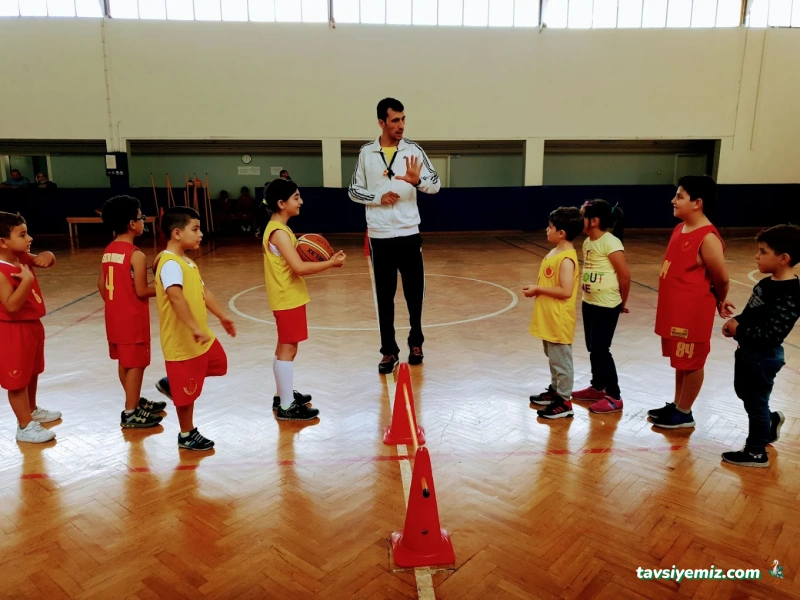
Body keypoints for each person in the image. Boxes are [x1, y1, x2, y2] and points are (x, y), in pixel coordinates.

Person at [348, 97, 441, 374]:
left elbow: (436, 185)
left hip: (409, 234)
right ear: (381, 122)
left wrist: (418, 181)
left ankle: (416, 343)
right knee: (385, 298)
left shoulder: (414, 150)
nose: (401, 125)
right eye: (395, 120)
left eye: (403, 119)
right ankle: (389, 351)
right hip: (380, 238)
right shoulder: (366, 153)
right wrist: (377, 197)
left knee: (414, 294)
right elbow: (354, 190)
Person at [649, 176, 733, 429]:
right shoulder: (680, 228)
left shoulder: (708, 238)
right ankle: (677, 404)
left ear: (697, 203)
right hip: (674, 310)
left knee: (693, 361)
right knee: (680, 360)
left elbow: (721, 277)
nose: (673, 201)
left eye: (680, 196)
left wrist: (720, 300)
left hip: (692, 312)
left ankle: (685, 412)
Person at [263, 179, 346, 420]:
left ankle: (283, 395)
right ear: (281, 203)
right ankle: (287, 406)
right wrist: (330, 263)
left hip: (285, 297)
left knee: (284, 347)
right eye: (296, 197)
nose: (301, 201)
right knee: (288, 349)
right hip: (287, 298)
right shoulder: (279, 233)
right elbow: (298, 268)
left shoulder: (277, 229)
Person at [154, 207, 236, 451]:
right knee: (187, 394)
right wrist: (193, 327)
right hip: (182, 341)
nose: (201, 234)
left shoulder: (187, 261)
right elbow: (175, 297)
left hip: (200, 338)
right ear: (177, 233)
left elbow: (204, 292)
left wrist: (222, 316)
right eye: (195, 229)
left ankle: (173, 384)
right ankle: (186, 434)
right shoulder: (169, 263)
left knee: (219, 362)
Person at [721, 224, 800, 467]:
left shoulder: (791, 294)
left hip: (764, 357)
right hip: (747, 353)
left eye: (763, 252)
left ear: (783, 258)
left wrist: (739, 330)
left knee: (756, 402)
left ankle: (756, 451)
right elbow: (752, 314)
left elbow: (771, 335)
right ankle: (769, 421)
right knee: (745, 393)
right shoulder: (765, 284)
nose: (757, 256)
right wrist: (736, 322)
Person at [99, 196, 165, 429]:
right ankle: (130, 412)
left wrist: (117, 303)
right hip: (132, 320)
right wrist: (165, 286)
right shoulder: (136, 255)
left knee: (125, 362)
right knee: (136, 364)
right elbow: (141, 290)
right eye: (141, 217)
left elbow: (101, 285)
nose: (143, 221)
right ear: (131, 223)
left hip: (114, 318)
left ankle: (133, 400)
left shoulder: (109, 251)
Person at [0, 211, 60, 443]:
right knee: (17, 380)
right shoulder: (2, 270)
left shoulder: (20, 258)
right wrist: (26, 281)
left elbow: (44, 260)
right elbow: (12, 306)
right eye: (22, 234)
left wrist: (49, 254)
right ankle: (24, 426)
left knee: (32, 372)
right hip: (12, 330)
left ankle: (32, 410)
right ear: (3, 242)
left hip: (32, 325)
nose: (29, 239)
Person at [571, 199, 631, 413]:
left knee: (601, 349)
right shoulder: (588, 242)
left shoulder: (610, 242)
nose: (579, 219)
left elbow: (624, 276)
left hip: (607, 305)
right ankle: (598, 387)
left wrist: (623, 302)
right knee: (592, 347)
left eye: (582, 215)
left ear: (594, 221)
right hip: (590, 302)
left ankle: (614, 395)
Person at [526, 207, 584, 419]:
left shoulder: (567, 258)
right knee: (553, 358)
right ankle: (555, 390)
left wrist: (538, 289)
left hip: (559, 320)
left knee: (561, 361)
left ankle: (564, 401)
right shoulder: (556, 251)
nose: (546, 230)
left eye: (550, 227)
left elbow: (566, 291)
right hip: (548, 317)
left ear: (562, 233)